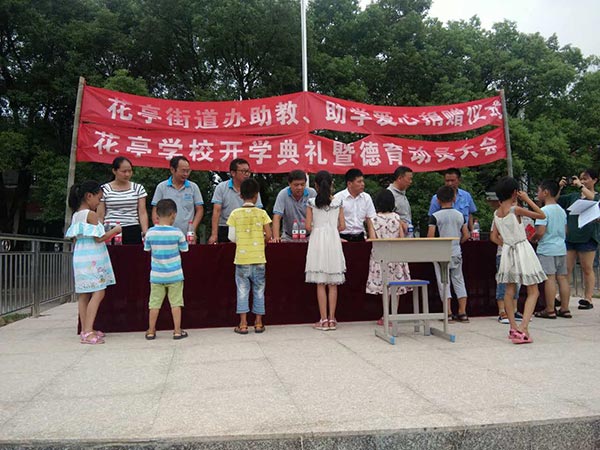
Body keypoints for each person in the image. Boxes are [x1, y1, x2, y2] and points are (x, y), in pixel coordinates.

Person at [491, 177, 547, 344]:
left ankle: (513, 327)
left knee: (509, 290)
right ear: (515, 192)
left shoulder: (496, 213)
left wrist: (506, 244)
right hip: (522, 248)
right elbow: (541, 215)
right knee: (533, 290)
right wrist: (527, 199)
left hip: (508, 251)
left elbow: (494, 237)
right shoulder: (515, 210)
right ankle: (523, 327)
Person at [65, 180, 121, 345]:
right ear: (89, 196)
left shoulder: (76, 215)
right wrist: (115, 231)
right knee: (98, 292)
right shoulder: (91, 215)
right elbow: (99, 238)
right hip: (93, 257)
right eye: (98, 198)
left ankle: (85, 329)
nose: (99, 202)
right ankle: (88, 331)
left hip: (81, 256)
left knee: (84, 294)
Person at [227, 178, 272, 334]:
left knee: (242, 291)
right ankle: (258, 323)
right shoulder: (262, 213)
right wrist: (262, 242)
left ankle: (243, 324)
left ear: (240, 195)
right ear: (256, 195)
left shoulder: (235, 214)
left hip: (241, 259)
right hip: (259, 258)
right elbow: (269, 234)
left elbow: (231, 237)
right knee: (259, 290)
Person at [305, 170, 346, 330]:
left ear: (316, 185)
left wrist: (318, 228)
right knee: (333, 282)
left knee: (321, 282)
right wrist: (332, 229)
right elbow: (343, 226)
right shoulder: (338, 202)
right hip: (333, 240)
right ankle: (332, 319)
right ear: (331, 184)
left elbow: (308, 226)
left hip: (317, 240)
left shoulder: (311, 202)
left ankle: (323, 320)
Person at [143, 199, 189, 340]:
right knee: (176, 303)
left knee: (154, 304)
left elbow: (147, 249)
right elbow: (185, 249)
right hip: (175, 274)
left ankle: (151, 330)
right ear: (173, 214)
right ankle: (177, 331)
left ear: (156, 214)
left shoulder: (150, 233)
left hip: (157, 275)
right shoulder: (177, 233)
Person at [366, 190, 412, 326]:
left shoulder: (373, 219)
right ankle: (394, 314)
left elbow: (373, 238)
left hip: (381, 256)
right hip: (396, 255)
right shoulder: (397, 217)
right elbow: (401, 237)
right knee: (396, 287)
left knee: (384, 287)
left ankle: (385, 315)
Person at [557, 169, 600, 310]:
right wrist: (559, 187)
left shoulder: (596, 196)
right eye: (581, 179)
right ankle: (562, 297)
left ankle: (588, 298)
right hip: (571, 237)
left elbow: (593, 199)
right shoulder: (573, 196)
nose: (582, 181)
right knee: (566, 269)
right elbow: (555, 200)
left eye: (585, 178)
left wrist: (581, 186)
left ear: (595, 180)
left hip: (587, 237)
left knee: (587, 268)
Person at [427, 186, 470, 322]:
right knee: (459, 280)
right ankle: (462, 312)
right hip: (456, 251)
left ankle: (448, 312)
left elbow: (430, 236)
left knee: (443, 282)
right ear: (454, 198)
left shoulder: (435, 217)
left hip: (440, 252)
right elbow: (466, 235)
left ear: (438, 200)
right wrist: (458, 242)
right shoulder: (460, 215)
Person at [533, 180, 570, 319]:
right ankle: (565, 308)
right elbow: (565, 231)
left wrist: (534, 238)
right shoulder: (561, 210)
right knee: (562, 278)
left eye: (538, 191)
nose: (537, 194)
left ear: (546, 192)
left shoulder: (543, 211)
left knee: (550, 278)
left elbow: (541, 231)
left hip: (547, 248)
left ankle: (549, 309)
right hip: (561, 248)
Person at [486, 192, 522, 324]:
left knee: (516, 281)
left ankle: (514, 309)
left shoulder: (520, 216)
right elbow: (493, 236)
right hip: (503, 253)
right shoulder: (498, 215)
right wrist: (506, 245)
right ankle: (502, 310)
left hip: (518, 253)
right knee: (503, 281)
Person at [209, 158, 263, 244]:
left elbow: (258, 211)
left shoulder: (253, 188)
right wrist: (214, 234)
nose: (247, 174)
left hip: (247, 227)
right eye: (243, 171)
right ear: (233, 173)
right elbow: (216, 211)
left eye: (248, 171)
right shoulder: (221, 188)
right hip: (225, 227)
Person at [97, 156, 149, 244]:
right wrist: (99, 233)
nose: (127, 174)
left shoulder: (138, 188)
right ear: (114, 171)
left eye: (130, 171)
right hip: (111, 230)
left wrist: (145, 232)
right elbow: (100, 214)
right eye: (124, 171)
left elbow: (142, 212)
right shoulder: (104, 189)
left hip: (132, 228)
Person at [151, 156, 204, 238]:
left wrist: (192, 229)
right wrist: (158, 228)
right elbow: (155, 209)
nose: (186, 174)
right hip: (165, 235)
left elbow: (199, 209)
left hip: (186, 235)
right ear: (172, 170)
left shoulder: (193, 187)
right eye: (183, 171)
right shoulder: (162, 187)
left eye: (188, 171)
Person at [271, 170, 317, 242]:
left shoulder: (312, 193)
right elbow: (277, 217)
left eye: (302, 184)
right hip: (288, 237)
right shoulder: (283, 194)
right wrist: (276, 237)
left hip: (309, 237)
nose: (299, 187)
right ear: (289, 184)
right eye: (296, 185)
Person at [429, 168, 477, 232]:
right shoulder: (437, 198)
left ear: (459, 180)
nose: (450, 183)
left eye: (452, 180)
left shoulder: (466, 196)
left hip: (464, 234)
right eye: (447, 181)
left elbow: (470, 215)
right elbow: (432, 219)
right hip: (444, 234)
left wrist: (472, 231)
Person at [334, 168, 376, 241]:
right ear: (349, 184)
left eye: (363, 181)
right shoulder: (338, 198)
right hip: (343, 237)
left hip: (360, 237)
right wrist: (337, 238)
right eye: (359, 182)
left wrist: (372, 238)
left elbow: (370, 219)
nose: (362, 184)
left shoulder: (366, 198)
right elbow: (333, 221)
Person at [387, 166, 413, 233]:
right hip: (396, 234)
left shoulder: (402, 193)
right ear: (400, 178)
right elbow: (385, 216)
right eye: (409, 179)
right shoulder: (389, 194)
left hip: (408, 233)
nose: (410, 182)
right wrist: (400, 222)